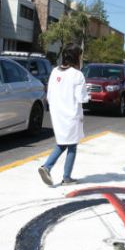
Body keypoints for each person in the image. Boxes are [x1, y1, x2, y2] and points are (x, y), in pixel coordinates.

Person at [38, 44, 89, 186]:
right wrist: (87, 93)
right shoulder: (77, 75)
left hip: (57, 114)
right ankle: (64, 176)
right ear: (76, 57)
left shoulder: (55, 71)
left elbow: (49, 94)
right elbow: (81, 98)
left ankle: (47, 167)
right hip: (71, 114)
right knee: (72, 145)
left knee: (62, 143)